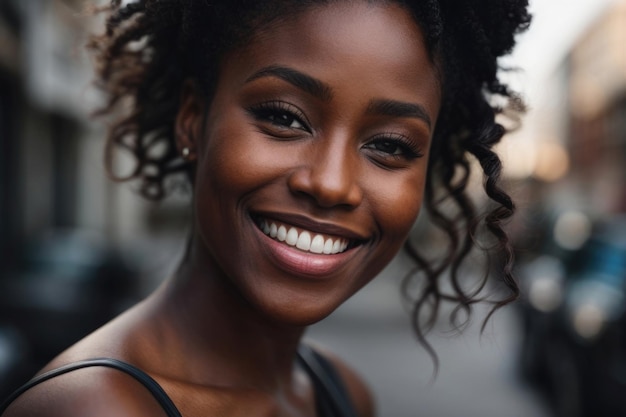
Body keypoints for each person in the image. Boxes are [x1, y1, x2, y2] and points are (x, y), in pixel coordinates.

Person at [1, 0, 531, 415]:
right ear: (192, 118)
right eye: (284, 116)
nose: (330, 184)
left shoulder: (341, 394)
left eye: (390, 146)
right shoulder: (91, 408)